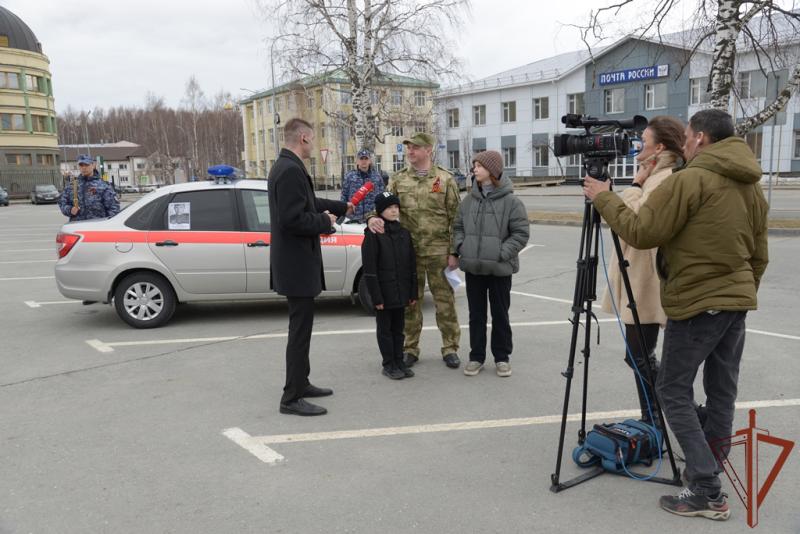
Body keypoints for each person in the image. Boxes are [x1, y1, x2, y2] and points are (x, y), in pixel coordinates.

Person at [583, 109, 769, 521]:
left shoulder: (690, 179)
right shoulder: (750, 186)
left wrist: (604, 197)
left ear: (700, 138)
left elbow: (643, 232)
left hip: (698, 302)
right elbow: (759, 254)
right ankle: (711, 466)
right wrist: (739, 292)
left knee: (672, 389)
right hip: (735, 303)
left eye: (687, 135)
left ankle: (705, 487)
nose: (684, 141)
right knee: (721, 391)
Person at [599, 116, 686, 424]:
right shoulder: (658, 175)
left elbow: (635, 223)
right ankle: (657, 417)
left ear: (659, 147)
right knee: (639, 356)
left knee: (638, 356)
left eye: (643, 143)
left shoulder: (665, 179)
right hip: (641, 277)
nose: (637, 148)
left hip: (648, 281)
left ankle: (662, 418)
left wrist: (633, 185)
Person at [268, 117, 353, 416]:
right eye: (313, 139)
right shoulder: (289, 170)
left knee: (302, 329)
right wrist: (325, 222)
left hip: (296, 263)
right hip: (296, 265)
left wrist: (340, 207)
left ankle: (301, 383)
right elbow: (291, 219)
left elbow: (307, 201)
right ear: (303, 137)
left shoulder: (287, 166)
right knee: (299, 331)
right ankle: (291, 398)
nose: (314, 144)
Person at [367, 132, 462, 370]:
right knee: (410, 303)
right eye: (408, 148)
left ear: (428, 150)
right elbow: (381, 204)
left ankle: (450, 348)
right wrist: (371, 219)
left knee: (445, 303)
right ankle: (410, 348)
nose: (410, 152)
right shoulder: (399, 180)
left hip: (439, 252)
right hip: (407, 254)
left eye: (415, 148)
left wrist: (455, 252)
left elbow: (456, 218)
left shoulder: (445, 179)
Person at [453, 150, 529, 377]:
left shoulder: (512, 202)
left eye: (479, 165)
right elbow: (457, 228)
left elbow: (520, 234)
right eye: (474, 165)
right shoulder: (468, 201)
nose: (474, 169)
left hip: (499, 269)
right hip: (474, 269)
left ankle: (502, 357)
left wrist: (499, 253)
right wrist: (461, 248)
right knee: (476, 315)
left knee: (500, 314)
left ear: (492, 170)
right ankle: (476, 357)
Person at [361, 191, 419, 380]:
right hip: (384, 294)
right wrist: (376, 297)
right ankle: (389, 364)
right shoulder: (373, 235)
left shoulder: (403, 233)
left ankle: (399, 360)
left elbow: (411, 266)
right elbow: (370, 270)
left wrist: (412, 293)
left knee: (398, 329)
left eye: (396, 207)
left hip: (401, 292)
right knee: (385, 330)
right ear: (380, 211)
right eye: (389, 208)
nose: (394, 211)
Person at [58, 154, 120, 221]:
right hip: (77, 226)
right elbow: (62, 203)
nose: (84, 168)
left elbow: (114, 208)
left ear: (93, 165)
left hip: (97, 226)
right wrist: (69, 210)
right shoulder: (71, 186)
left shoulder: (103, 185)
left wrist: (107, 224)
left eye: (87, 165)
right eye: (81, 165)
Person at [341, 149, 385, 222]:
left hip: (372, 218)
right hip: (353, 218)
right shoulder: (349, 176)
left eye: (366, 158)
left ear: (370, 161)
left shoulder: (377, 177)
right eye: (361, 158)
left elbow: (382, 196)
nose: (364, 161)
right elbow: (344, 196)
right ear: (357, 161)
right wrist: (344, 210)